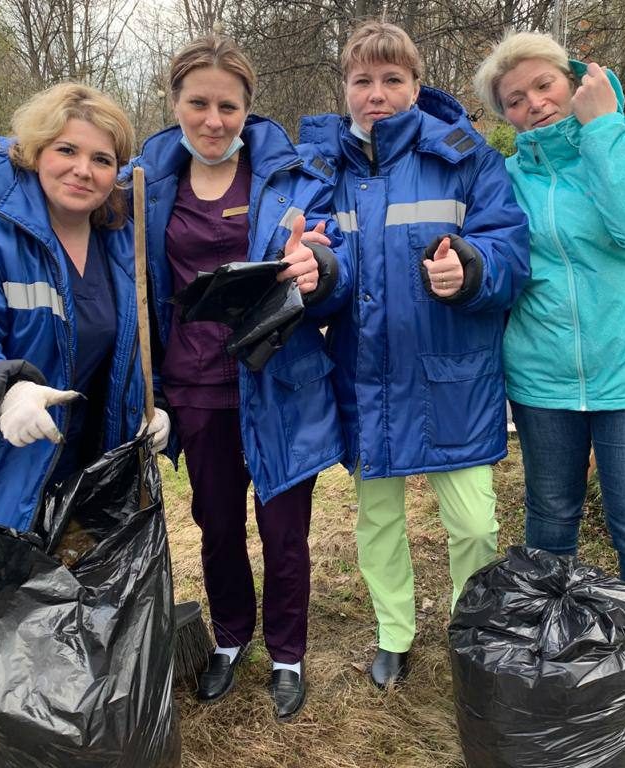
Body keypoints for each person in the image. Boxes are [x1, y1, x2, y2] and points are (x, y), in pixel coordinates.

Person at [0, 83, 170, 768]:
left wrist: (152, 407)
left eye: (101, 157)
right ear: (33, 152)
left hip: (62, 482)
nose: (82, 170)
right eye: (67, 149)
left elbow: (132, 346)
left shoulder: (121, 244)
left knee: (18, 638)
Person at [474, 30, 625, 768]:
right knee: (549, 531)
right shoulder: (507, 177)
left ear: (578, 79)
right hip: (543, 380)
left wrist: (601, 128)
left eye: (544, 86)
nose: (534, 105)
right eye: (515, 100)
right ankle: (558, 679)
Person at [298, 21, 530, 688]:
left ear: (416, 86)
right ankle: (394, 633)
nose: (377, 93)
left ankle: (471, 631)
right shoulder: (325, 170)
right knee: (377, 520)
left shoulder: (465, 157)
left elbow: (512, 249)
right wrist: (319, 274)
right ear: (345, 89)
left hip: (451, 377)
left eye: (392, 79)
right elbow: (323, 267)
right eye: (363, 81)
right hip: (366, 376)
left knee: (475, 523)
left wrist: (475, 269)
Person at [131, 35, 350, 721]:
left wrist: (320, 268)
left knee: (285, 531)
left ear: (248, 108)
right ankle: (231, 639)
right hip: (197, 387)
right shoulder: (144, 184)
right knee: (218, 525)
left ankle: (287, 654)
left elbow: (333, 253)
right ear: (175, 104)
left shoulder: (290, 178)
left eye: (228, 105)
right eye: (198, 103)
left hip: (279, 381)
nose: (213, 119)